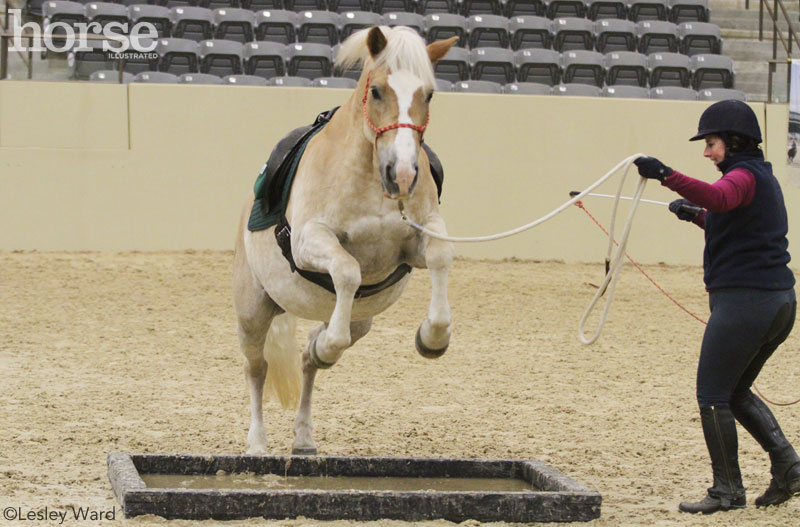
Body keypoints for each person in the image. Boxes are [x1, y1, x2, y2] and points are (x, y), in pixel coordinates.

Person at [634, 99, 800, 514]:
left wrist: (666, 176)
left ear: (735, 141)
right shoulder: (758, 177)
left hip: (747, 302)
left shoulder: (741, 176)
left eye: (711, 143)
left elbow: (720, 199)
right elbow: (726, 215)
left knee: (712, 395)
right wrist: (694, 216)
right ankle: (790, 469)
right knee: (737, 392)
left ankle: (727, 490)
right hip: (776, 303)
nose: (707, 152)